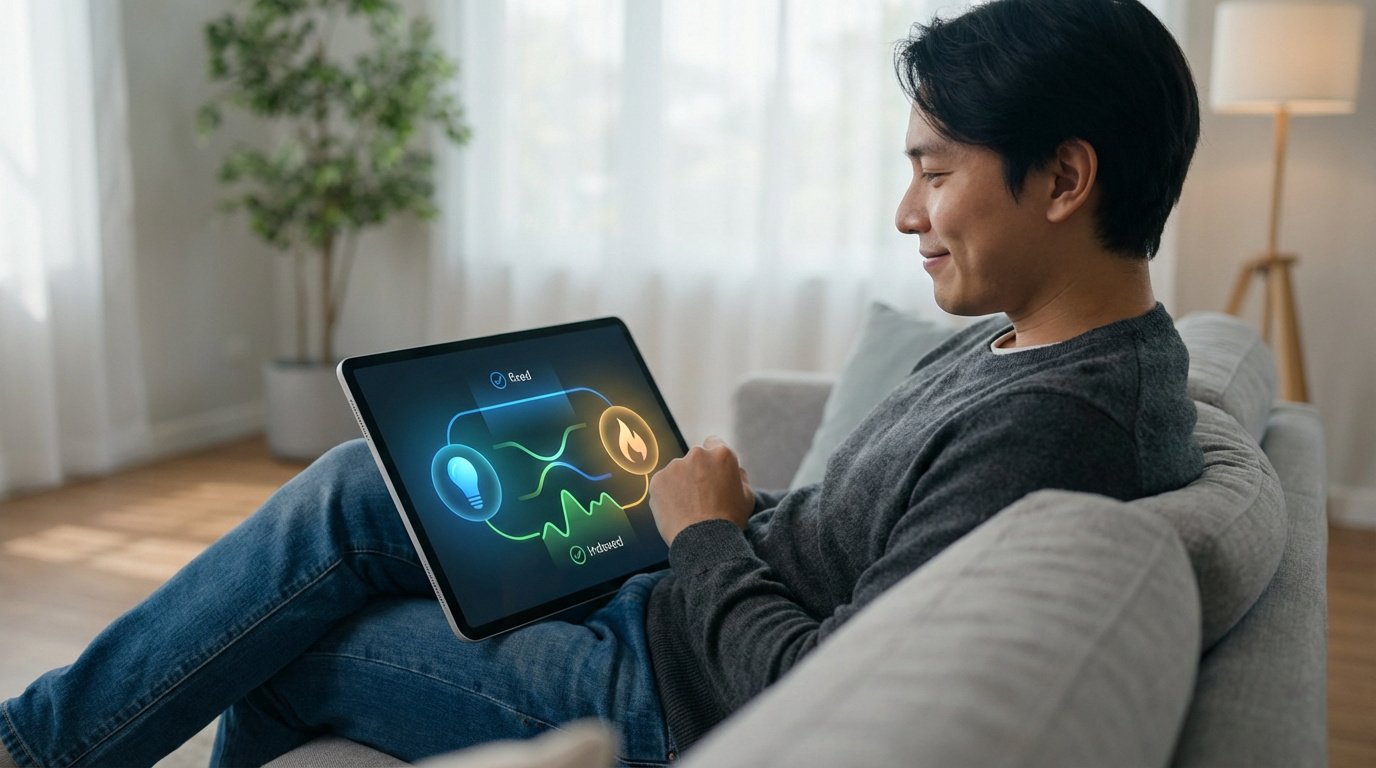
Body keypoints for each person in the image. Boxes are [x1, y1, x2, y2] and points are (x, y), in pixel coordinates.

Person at [0, 0, 1204, 765]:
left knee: (298, 649)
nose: (906, 215)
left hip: (670, 695)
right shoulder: (1026, 341)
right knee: (362, 485)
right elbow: (858, 550)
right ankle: (38, 742)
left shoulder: (1060, 426)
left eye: (934, 174)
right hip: (684, 603)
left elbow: (811, 684)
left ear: (1061, 180)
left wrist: (703, 539)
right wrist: (703, 519)